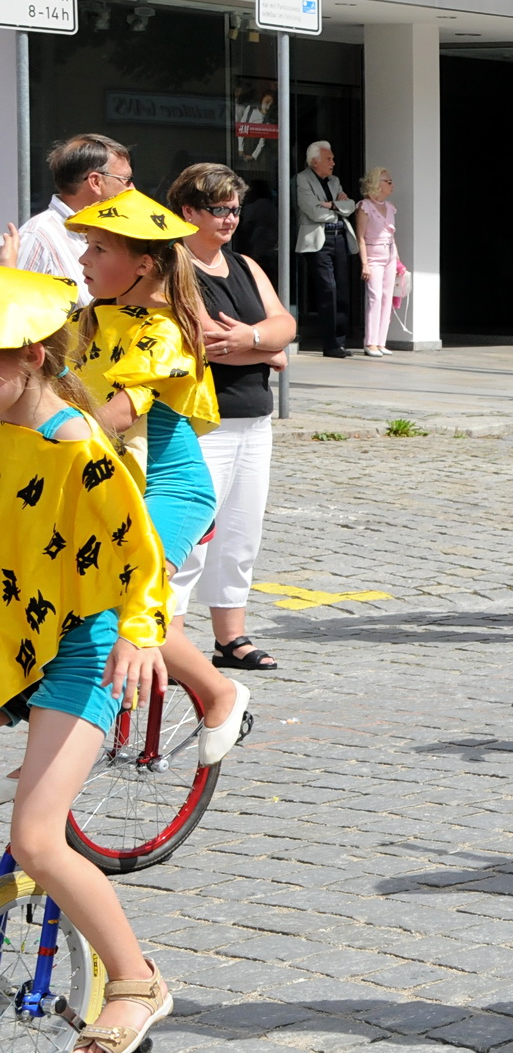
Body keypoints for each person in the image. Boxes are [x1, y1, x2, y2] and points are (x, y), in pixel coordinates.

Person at [0, 269, 177, 1053]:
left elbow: (144, 562)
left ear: (31, 356)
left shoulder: (80, 447)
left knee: (37, 837)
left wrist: (141, 636)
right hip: (12, 632)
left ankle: (135, 979)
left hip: (80, 646)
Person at [68, 189, 250, 762]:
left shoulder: (163, 328)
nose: (83, 260)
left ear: (144, 263)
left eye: (98, 249)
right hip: (109, 483)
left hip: (169, 488)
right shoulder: (87, 319)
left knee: (132, 598)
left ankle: (221, 692)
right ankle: (65, 727)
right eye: (86, 247)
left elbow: (120, 413)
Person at [166, 164, 297, 674]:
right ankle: (170, 639)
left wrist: (254, 341)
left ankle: (231, 636)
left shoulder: (243, 264)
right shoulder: (173, 265)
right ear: (188, 211)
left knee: (241, 533)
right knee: (193, 535)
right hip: (203, 420)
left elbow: (284, 325)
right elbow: (203, 341)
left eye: (235, 208)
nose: (230, 218)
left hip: (253, 418)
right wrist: (264, 346)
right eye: (218, 209)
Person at [17, 134, 133, 306]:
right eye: (126, 180)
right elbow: (10, 315)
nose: (132, 189)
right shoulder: (37, 236)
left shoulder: (116, 230)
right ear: (95, 182)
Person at [293, 141, 358, 359]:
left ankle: (339, 342)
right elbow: (314, 212)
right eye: (328, 159)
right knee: (327, 290)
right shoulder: (302, 179)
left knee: (342, 291)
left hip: (340, 238)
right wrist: (337, 207)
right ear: (314, 162)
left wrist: (330, 205)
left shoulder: (335, 181)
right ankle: (329, 344)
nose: (333, 163)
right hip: (319, 242)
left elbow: (351, 207)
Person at [357, 167, 399, 357]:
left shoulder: (389, 207)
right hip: (373, 256)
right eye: (388, 182)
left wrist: (397, 260)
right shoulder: (365, 206)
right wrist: (364, 263)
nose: (392, 185)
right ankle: (370, 342)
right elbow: (361, 237)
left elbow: (392, 236)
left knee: (387, 298)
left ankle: (381, 341)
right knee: (375, 298)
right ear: (378, 184)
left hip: (389, 254)